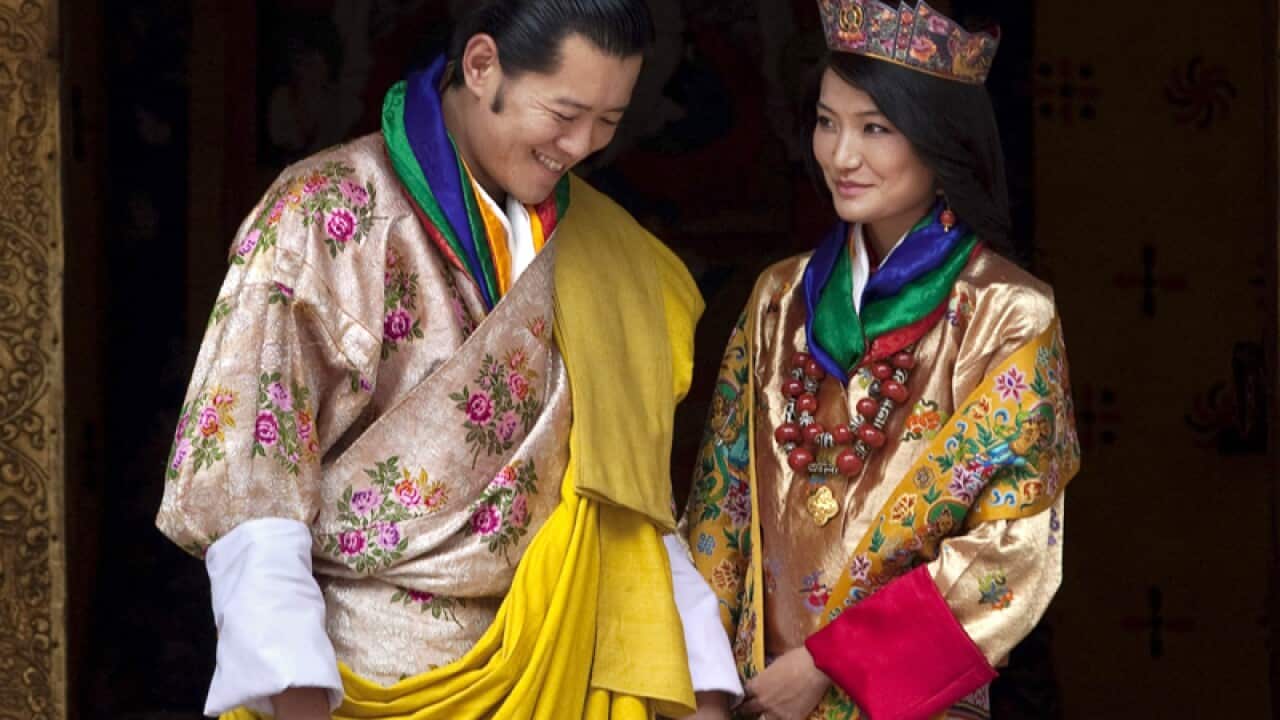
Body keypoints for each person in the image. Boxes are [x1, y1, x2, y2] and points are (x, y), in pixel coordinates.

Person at [157, 1, 741, 718]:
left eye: (609, 121)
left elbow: (631, 505)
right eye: (563, 113)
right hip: (361, 678)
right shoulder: (323, 213)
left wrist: (704, 688)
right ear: (481, 64)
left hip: (558, 665)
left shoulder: (611, 253)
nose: (583, 145)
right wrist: (297, 698)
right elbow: (252, 489)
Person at [682, 1, 1081, 718]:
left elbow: (1010, 551)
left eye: (876, 128)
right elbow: (721, 505)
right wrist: (708, 688)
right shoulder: (779, 298)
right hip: (759, 701)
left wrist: (832, 663)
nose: (841, 155)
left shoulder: (1007, 315)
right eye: (827, 122)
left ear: (939, 139)